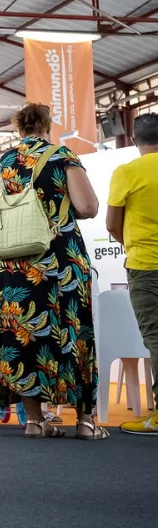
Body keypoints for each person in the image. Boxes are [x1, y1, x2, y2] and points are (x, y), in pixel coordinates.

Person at [0, 102, 105, 440]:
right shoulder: (62, 156)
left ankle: (35, 421)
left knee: (24, 337)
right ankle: (85, 422)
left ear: (18, 129)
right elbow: (88, 206)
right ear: (46, 126)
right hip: (59, 261)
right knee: (72, 333)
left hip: (14, 265)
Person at [107, 112, 158, 435]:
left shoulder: (126, 172)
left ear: (134, 140)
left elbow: (112, 223)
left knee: (156, 337)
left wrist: (132, 244)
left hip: (145, 266)